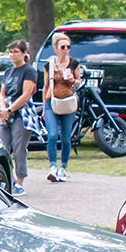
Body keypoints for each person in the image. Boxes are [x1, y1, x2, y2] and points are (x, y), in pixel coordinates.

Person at [0, 39, 37, 195]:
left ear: (24, 53)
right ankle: (7, 179)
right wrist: (2, 108)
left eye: (16, 52)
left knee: (19, 149)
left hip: (21, 114)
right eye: (10, 52)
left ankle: (20, 182)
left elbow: (26, 95)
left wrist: (10, 110)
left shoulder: (29, 71)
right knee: (2, 147)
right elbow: (2, 93)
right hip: (5, 112)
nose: (12, 55)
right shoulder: (8, 71)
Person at [41, 33, 82, 183]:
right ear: (56, 48)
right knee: (52, 135)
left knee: (66, 138)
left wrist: (74, 80)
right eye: (63, 47)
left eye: (68, 47)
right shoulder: (49, 65)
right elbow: (45, 87)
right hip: (52, 102)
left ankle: (63, 167)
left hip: (68, 102)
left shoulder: (74, 63)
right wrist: (44, 108)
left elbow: (79, 82)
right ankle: (52, 166)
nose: (66, 49)